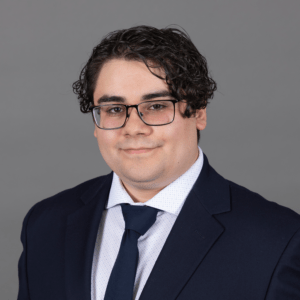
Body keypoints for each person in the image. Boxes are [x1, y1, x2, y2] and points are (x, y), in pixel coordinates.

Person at [17, 25, 300, 300]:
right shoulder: (45, 225)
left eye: (156, 106)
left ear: (198, 112)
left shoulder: (279, 241)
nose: (134, 128)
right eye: (114, 109)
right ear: (96, 121)